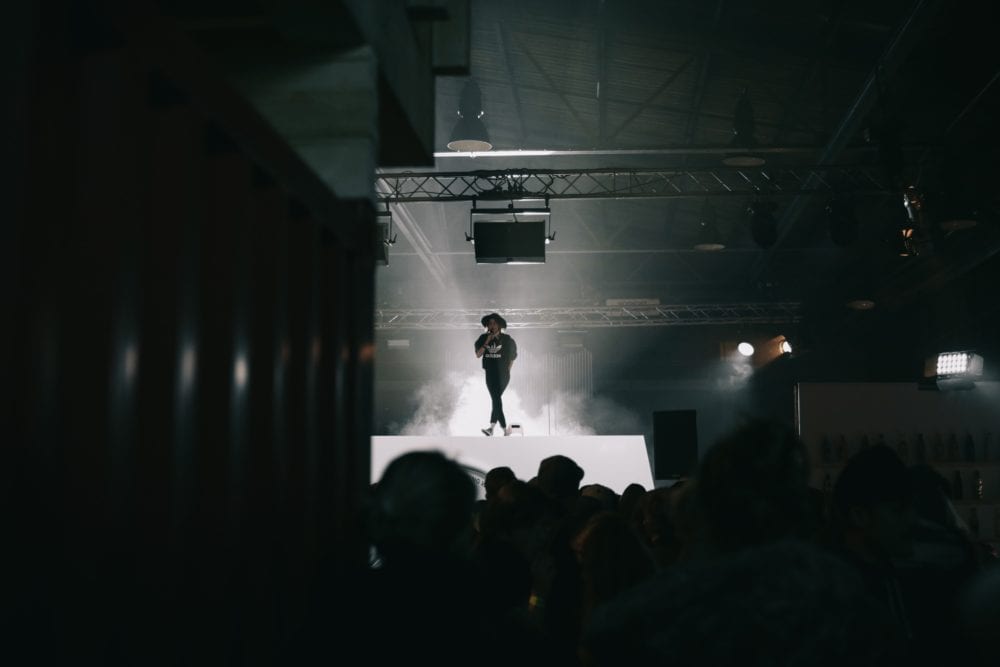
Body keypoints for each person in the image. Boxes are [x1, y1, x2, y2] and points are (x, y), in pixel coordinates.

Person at [475, 313, 517, 436]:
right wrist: (487, 341)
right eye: (490, 323)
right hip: (490, 373)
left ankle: (497, 428)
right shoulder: (483, 338)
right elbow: (478, 354)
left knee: (496, 399)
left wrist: (507, 371)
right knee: (496, 399)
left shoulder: (507, 339)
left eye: (494, 323)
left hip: (503, 374)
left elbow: (512, 357)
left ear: (499, 325)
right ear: (487, 326)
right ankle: (499, 429)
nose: (492, 325)